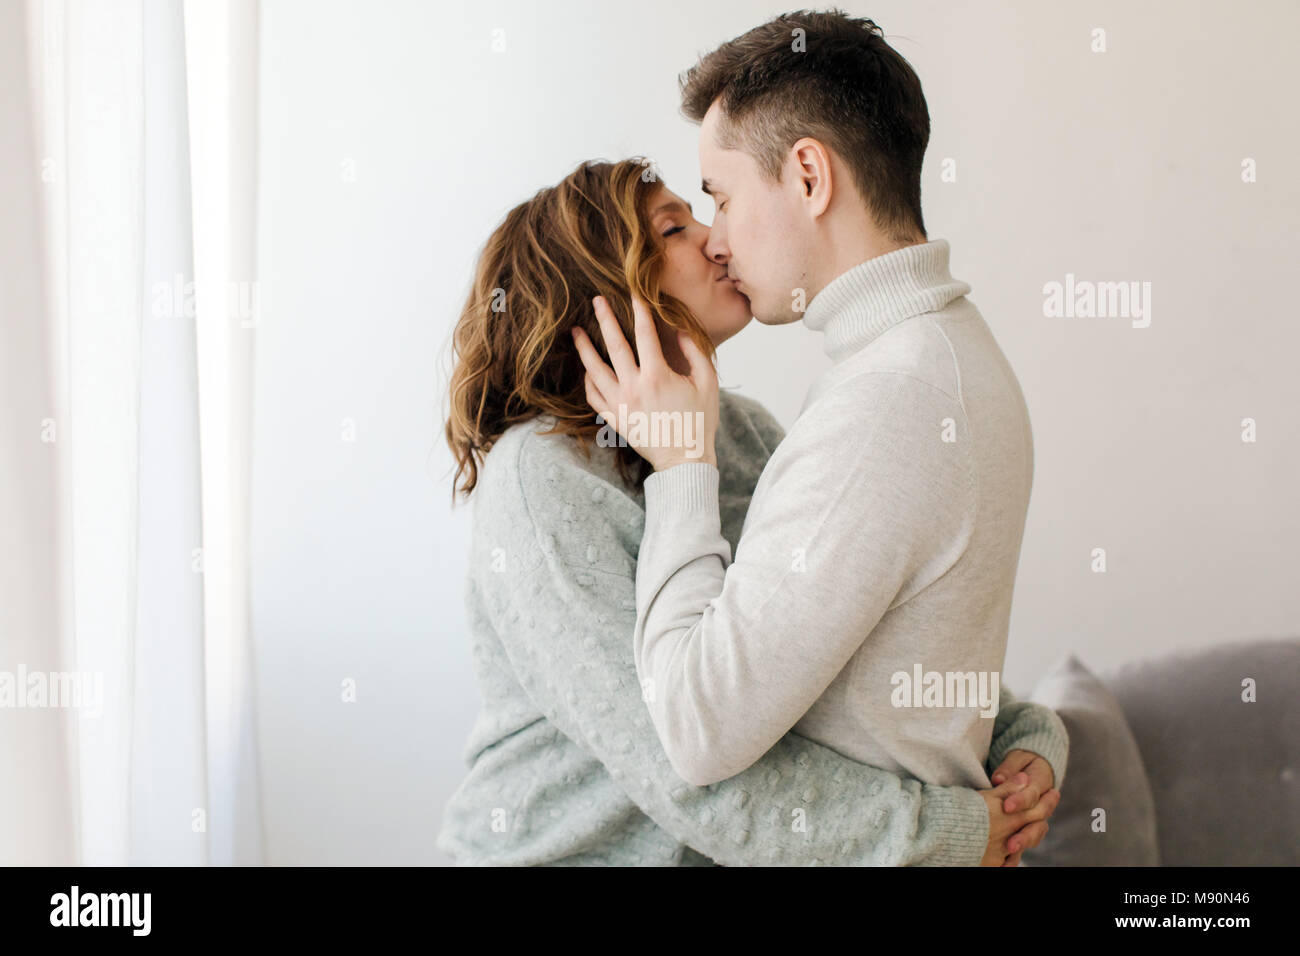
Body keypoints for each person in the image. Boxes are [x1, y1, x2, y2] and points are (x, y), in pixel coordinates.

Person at [438, 158, 1065, 866]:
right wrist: (941, 835)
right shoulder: (539, 482)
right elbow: (680, 766)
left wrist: (1021, 736)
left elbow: (839, 639)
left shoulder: (741, 430)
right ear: (602, 292)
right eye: (675, 227)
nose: (716, 240)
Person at [575, 11, 1052, 809]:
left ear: (808, 176)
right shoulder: (937, 357)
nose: (716, 242)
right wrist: (1029, 732)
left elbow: (696, 729)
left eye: (721, 199)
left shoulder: (892, 401)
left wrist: (682, 467)